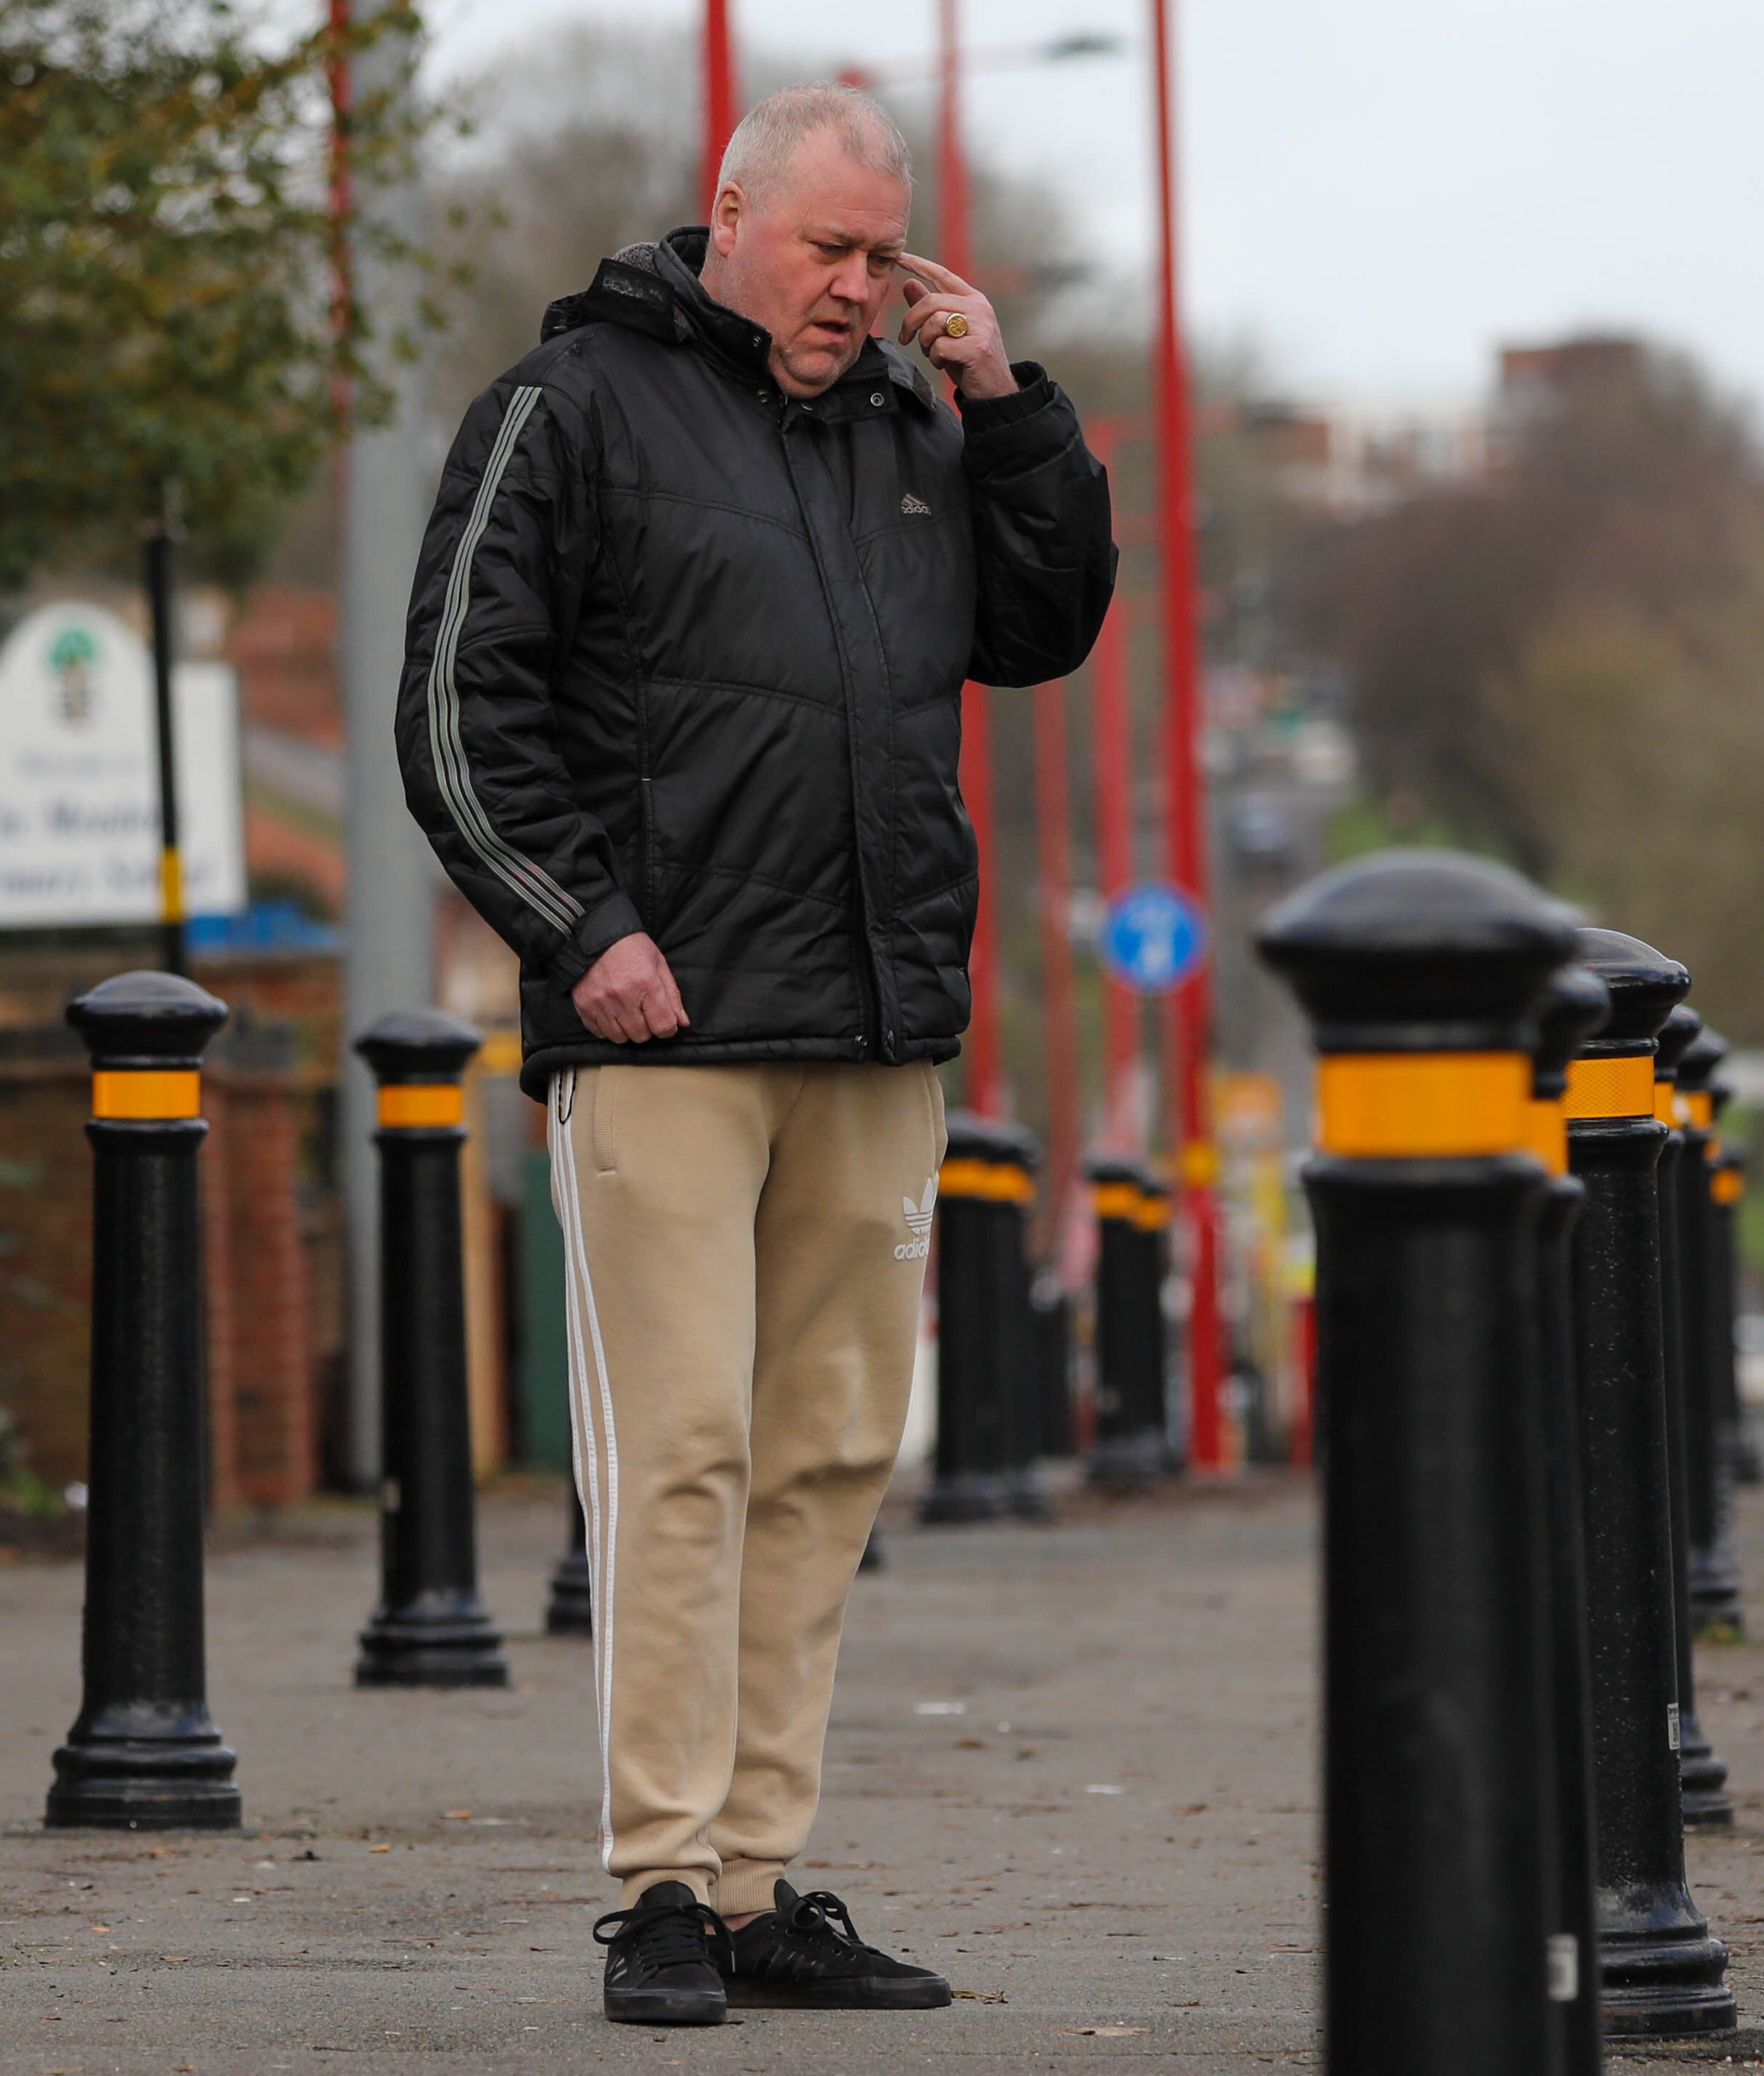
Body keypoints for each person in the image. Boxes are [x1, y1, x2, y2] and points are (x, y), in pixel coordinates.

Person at [393, 83, 1114, 2028]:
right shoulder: (570, 410)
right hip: (665, 1026)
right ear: (731, 214)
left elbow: (1046, 626)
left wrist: (1005, 401)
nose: (861, 290)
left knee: (824, 1461)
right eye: (831, 252)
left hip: (877, 1024)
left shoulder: (910, 429)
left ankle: (756, 1879)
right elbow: (462, 706)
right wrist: (583, 929)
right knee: (681, 1459)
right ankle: (655, 1884)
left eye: (890, 259)